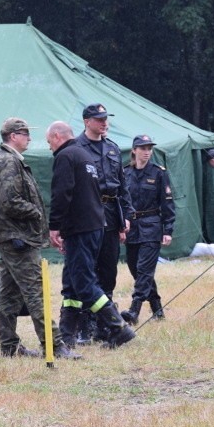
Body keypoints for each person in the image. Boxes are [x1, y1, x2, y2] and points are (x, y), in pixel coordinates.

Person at [0, 117, 81, 359]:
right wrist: (36, 211)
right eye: (25, 133)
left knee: (8, 293)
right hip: (19, 238)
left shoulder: (1, 159)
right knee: (35, 292)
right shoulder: (8, 161)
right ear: (13, 135)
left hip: (10, 236)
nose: (29, 137)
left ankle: (9, 346)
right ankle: (54, 346)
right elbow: (9, 201)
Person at [46, 121, 135, 349]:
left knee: (84, 283)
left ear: (57, 136)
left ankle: (118, 327)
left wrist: (55, 226)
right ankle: (67, 336)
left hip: (80, 229)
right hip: (95, 226)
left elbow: (62, 194)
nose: (49, 147)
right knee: (72, 284)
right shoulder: (84, 156)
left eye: (49, 142)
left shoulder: (66, 156)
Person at [74, 103, 135, 341]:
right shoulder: (77, 148)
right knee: (88, 270)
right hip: (88, 212)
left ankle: (104, 325)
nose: (104, 123)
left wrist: (126, 217)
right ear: (87, 121)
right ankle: (85, 325)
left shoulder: (112, 148)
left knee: (108, 270)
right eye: (99, 119)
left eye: (105, 119)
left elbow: (123, 186)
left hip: (111, 213)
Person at [120, 135, 175, 325]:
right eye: (143, 148)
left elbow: (167, 202)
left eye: (149, 148)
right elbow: (120, 201)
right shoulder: (125, 173)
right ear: (134, 150)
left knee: (144, 269)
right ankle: (158, 309)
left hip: (151, 225)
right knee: (136, 269)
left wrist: (168, 229)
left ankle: (134, 310)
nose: (147, 152)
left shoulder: (158, 173)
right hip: (131, 228)